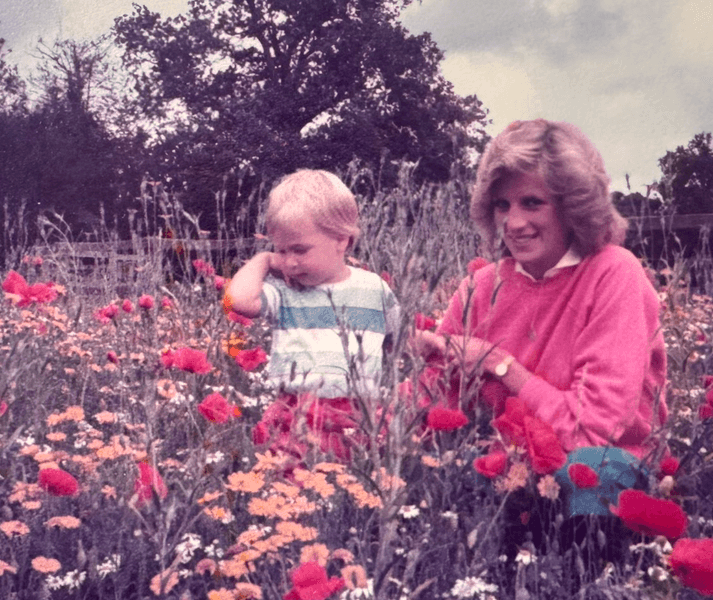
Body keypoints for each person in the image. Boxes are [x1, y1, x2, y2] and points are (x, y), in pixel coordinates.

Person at [417, 119, 668, 580]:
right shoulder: (481, 286)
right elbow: (432, 404)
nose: (514, 223)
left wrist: (498, 364)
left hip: (595, 471)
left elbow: (594, 431)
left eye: (532, 202)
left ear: (573, 206)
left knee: (589, 472)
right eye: (502, 205)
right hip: (507, 468)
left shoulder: (614, 273)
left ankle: (589, 583)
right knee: (433, 480)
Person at [226, 169, 399, 460]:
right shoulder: (285, 292)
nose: (290, 263)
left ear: (341, 240)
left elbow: (396, 344)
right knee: (292, 483)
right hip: (295, 416)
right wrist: (264, 260)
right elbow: (238, 300)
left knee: (352, 482)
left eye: (300, 250)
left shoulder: (375, 290)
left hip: (357, 417)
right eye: (282, 251)